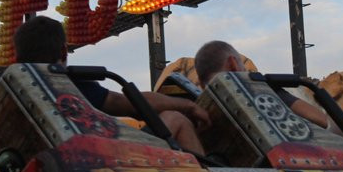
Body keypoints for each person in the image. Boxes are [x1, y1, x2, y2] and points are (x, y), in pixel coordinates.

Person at [13, 16, 210, 154]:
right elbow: (135, 105)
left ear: (16, 59)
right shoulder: (72, 85)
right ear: (64, 52)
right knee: (174, 119)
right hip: (100, 170)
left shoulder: (10, 95)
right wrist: (189, 105)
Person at [193, 40, 343, 160]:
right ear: (233, 63)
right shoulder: (254, 88)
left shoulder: (201, 110)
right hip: (301, 157)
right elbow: (320, 121)